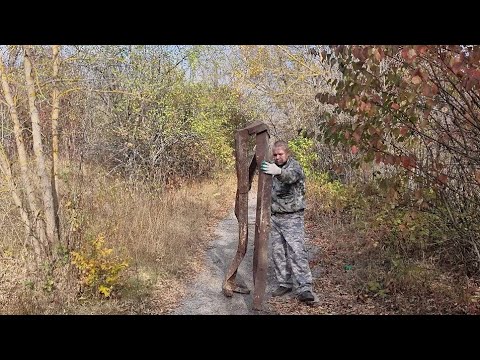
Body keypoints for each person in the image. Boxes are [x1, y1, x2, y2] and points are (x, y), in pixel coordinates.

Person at [260, 140, 315, 302]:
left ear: (287, 153)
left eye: (280, 154)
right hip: (276, 217)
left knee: (296, 252)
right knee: (278, 252)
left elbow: (290, 177)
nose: (277, 157)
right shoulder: (272, 167)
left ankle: (304, 287)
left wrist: (277, 172)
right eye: (275, 154)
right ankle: (284, 283)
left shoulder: (294, 167)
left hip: (292, 217)